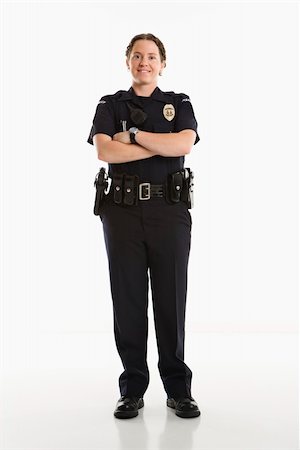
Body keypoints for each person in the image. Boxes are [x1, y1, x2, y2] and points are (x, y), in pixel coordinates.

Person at [87, 33, 201, 419]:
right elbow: (105, 150)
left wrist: (133, 137)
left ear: (162, 63)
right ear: (128, 62)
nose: (144, 62)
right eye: (137, 56)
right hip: (121, 211)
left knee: (170, 298)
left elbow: (184, 144)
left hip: (169, 211)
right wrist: (159, 143)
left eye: (152, 56)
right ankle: (132, 388)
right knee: (129, 300)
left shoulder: (178, 103)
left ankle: (178, 389)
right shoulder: (110, 104)